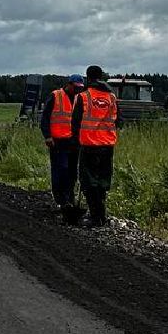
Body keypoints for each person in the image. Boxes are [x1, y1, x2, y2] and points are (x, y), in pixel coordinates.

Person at [71, 64, 118, 227]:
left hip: (89, 145)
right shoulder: (111, 97)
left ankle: (95, 216)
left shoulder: (83, 97)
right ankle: (101, 215)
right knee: (103, 180)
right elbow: (118, 120)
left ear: (88, 77)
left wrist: (75, 141)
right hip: (107, 145)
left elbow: (75, 122)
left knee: (89, 180)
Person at [40, 73, 85, 224]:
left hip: (74, 141)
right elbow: (45, 118)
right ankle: (60, 199)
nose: (78, 90)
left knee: (72, 172)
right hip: (58, 141)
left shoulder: (79, 98)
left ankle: (69, 199)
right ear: (69, 84)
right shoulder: (56, 96)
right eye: (76, 87)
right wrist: (47, 136)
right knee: (61, 170)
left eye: (80, 88)